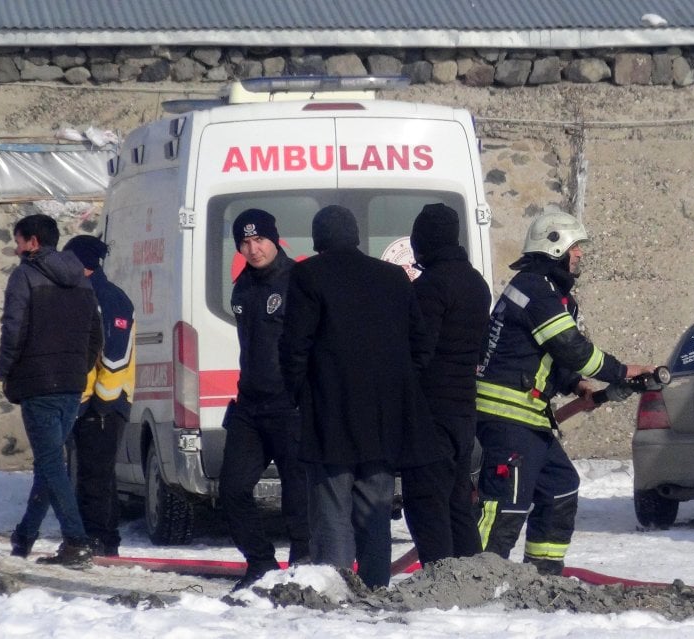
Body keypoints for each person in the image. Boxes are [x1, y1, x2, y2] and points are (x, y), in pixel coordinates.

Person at [474, 208, 655, 576]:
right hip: (508, 417)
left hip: (528, 418)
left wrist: (576, 384)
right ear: (554, 247)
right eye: (576, 247)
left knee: (560, 487)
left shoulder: (543, 290)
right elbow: (571, 347)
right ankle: (475, 580)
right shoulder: (535, 290)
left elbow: (549, 357)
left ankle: (543, 575)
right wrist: (623, 371)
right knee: (507, 504)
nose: (580, 255)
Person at [280, 204, 437, 589]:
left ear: (318, 239)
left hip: (329, 412)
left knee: (331, 507)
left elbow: (294, 346)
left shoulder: (307, 275)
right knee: (376, 510)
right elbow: (421, 344)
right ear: (355, 236)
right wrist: (396, 384)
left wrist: (299, 392)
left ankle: (335, 591)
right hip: (383, 416)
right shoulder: (392, 277)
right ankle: (375, 589)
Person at [0, 214, 103, 567]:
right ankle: (25, 536)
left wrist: (6, 370)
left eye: (17, 240)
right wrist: (78, 367)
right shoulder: (82, 280)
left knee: (50, 463)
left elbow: (13, 330)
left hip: (38, 382)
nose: (15, 248)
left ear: (32, 242)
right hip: (71, 384)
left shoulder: (23, 276)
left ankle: (76, 539)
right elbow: (96, 334)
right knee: (50, 464)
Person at [219, 208, 310, 591]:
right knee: (232, 490)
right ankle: (260, 563)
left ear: (275, 240)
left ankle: (303, 567)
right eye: (245, 242)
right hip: (249, 406)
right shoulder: (243, 285)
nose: (253, 249)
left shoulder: (298, 281)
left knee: (298, 497)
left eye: (259, 240)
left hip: (288, 406)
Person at [401, 203, 492, 565]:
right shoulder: (476, 283)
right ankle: (472, 575)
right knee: (457, 501)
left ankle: (440, 579)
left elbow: (420, 351)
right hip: (463, 411)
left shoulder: (431, 286)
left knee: (426, 502)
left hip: (432, 411)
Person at [61, 235, 136, 558]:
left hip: (104, 404)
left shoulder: (109, 297)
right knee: (88, 475)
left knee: (96, 477)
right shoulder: (78, 295)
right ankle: (95, 539)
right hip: (82, 401)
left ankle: (99, 540)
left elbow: (115, 355)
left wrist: (103, 402)